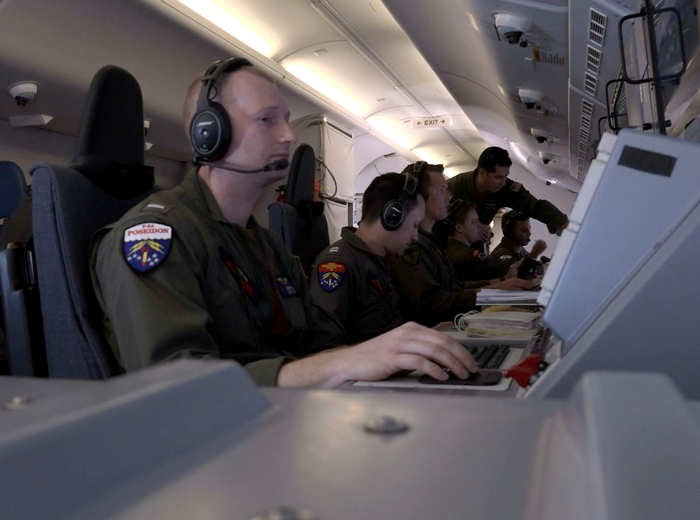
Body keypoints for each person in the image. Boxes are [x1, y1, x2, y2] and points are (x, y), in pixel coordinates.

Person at [90, 57, 477, 387]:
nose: (289, 134)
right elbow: (175, 387)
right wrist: (345, 364)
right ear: (210, 134)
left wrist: (392, 356)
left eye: (287, 120)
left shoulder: (266, 247)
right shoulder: (157, 239)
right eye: (266, 120)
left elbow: (315, 342)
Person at [309, 172, 425, 344]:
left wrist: (423, 338)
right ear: (392, 216)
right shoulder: (337, 264)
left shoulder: (382, 260)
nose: (416, 236)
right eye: (415, 225)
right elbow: (324, 348)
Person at [447, 146, 568, 240]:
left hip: (478, 243)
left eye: (505, 177)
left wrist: (562, 223)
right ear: (482, 172)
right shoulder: (454, 188)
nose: (504, 183)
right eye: (498, 177)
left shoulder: (504, 189)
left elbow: (534, 206)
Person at [489, 210, 547, 279]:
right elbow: (520, 277)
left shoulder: (521, 250)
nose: (529, 233)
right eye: (524, 230)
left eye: (529, 229)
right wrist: (534, 254)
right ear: (510, 233)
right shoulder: (501, 255)